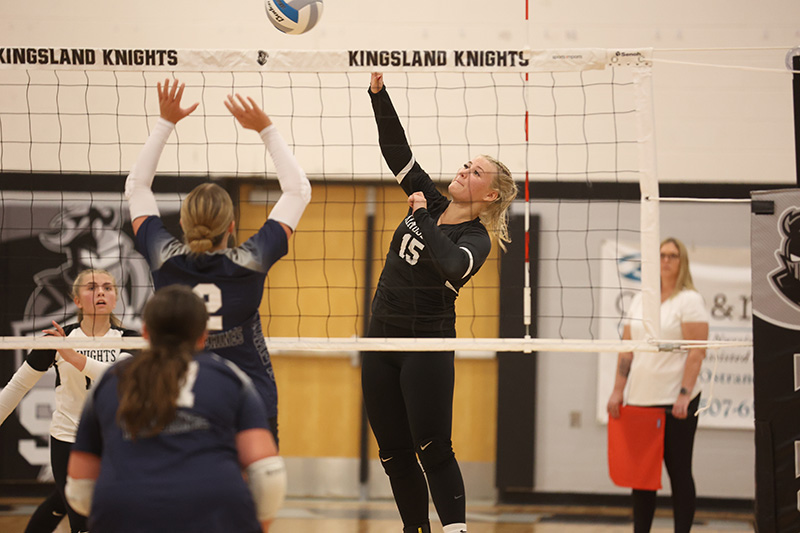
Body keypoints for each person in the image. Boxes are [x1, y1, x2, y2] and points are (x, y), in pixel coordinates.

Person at [361, 73, 517, 533]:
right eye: (466, 165)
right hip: (380, 339)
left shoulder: (475, 237)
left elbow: (451, 265)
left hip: (425, 346)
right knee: (393, 452)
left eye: (475, 172)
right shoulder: (429, 198)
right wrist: (379, 96)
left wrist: (422, 215)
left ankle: (455, 530)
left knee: (432, 447)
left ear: (490, 195)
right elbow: (397, 150)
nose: (463, 172)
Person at [124, 79, 311, 442]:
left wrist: (165, 123)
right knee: (254, 476)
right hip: (249, 397)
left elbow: (137, 187)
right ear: (232, 226)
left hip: (182, 397)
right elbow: (298, 191)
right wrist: (267, 130)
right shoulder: (250, 260)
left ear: (182, 223)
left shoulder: (165, 258)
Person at [65, 285, 286, 533]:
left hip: (124, 511)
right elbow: (267, 473)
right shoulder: (231, 378)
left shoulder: (111, 380)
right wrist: (258, 526)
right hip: (216, 513)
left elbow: (80, 489)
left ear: (145, 332)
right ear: (203, 335)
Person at [0, 269, 137, 533]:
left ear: (115, 298)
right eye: (92, 287)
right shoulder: (60, 339)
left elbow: (117, 377)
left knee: (115, 517)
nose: (101, 292)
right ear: (76, 300)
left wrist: (72, 356)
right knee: (81, 522)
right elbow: (17, 387)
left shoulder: (131, 339)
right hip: (69, 439)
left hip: (116, 439)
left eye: (107, 287)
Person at [607, 237, 710, 533]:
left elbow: (697, 352)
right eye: (662, 255)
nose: (666, 260)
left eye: (672, 256)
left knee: (679, 473)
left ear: (682, 261)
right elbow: (627, 349)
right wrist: (618, 390)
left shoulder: (689, 300)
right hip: (641, 400)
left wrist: (684, 395)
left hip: (675, 402)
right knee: (642, 478)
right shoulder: (641, 300)